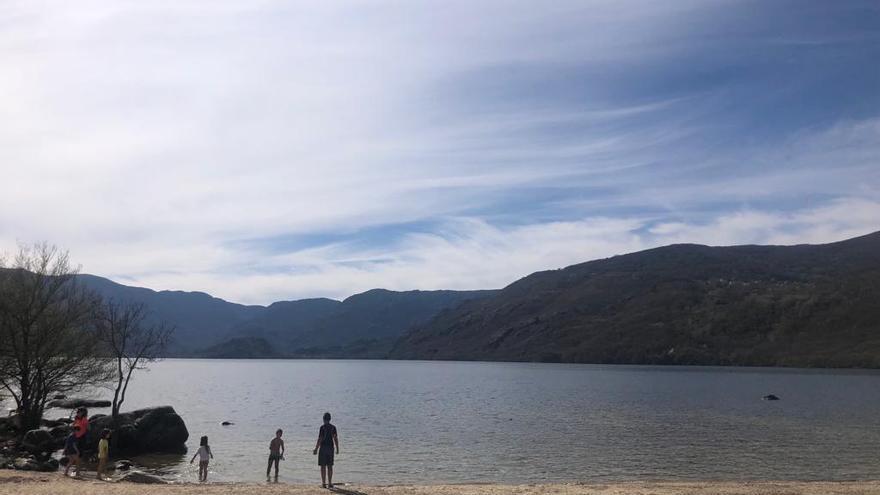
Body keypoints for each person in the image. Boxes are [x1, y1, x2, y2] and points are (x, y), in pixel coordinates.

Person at [313, 412, 339, 488]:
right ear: (330, 419)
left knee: (323, 466)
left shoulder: (322, 427)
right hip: (330, 448)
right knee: (330, 466)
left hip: (323, 448)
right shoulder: (333, 427)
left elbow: (320, 439)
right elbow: (335, 438)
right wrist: (337, 448)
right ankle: (330, 483)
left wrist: (316, 449)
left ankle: (324, 483)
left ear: (323, 419)